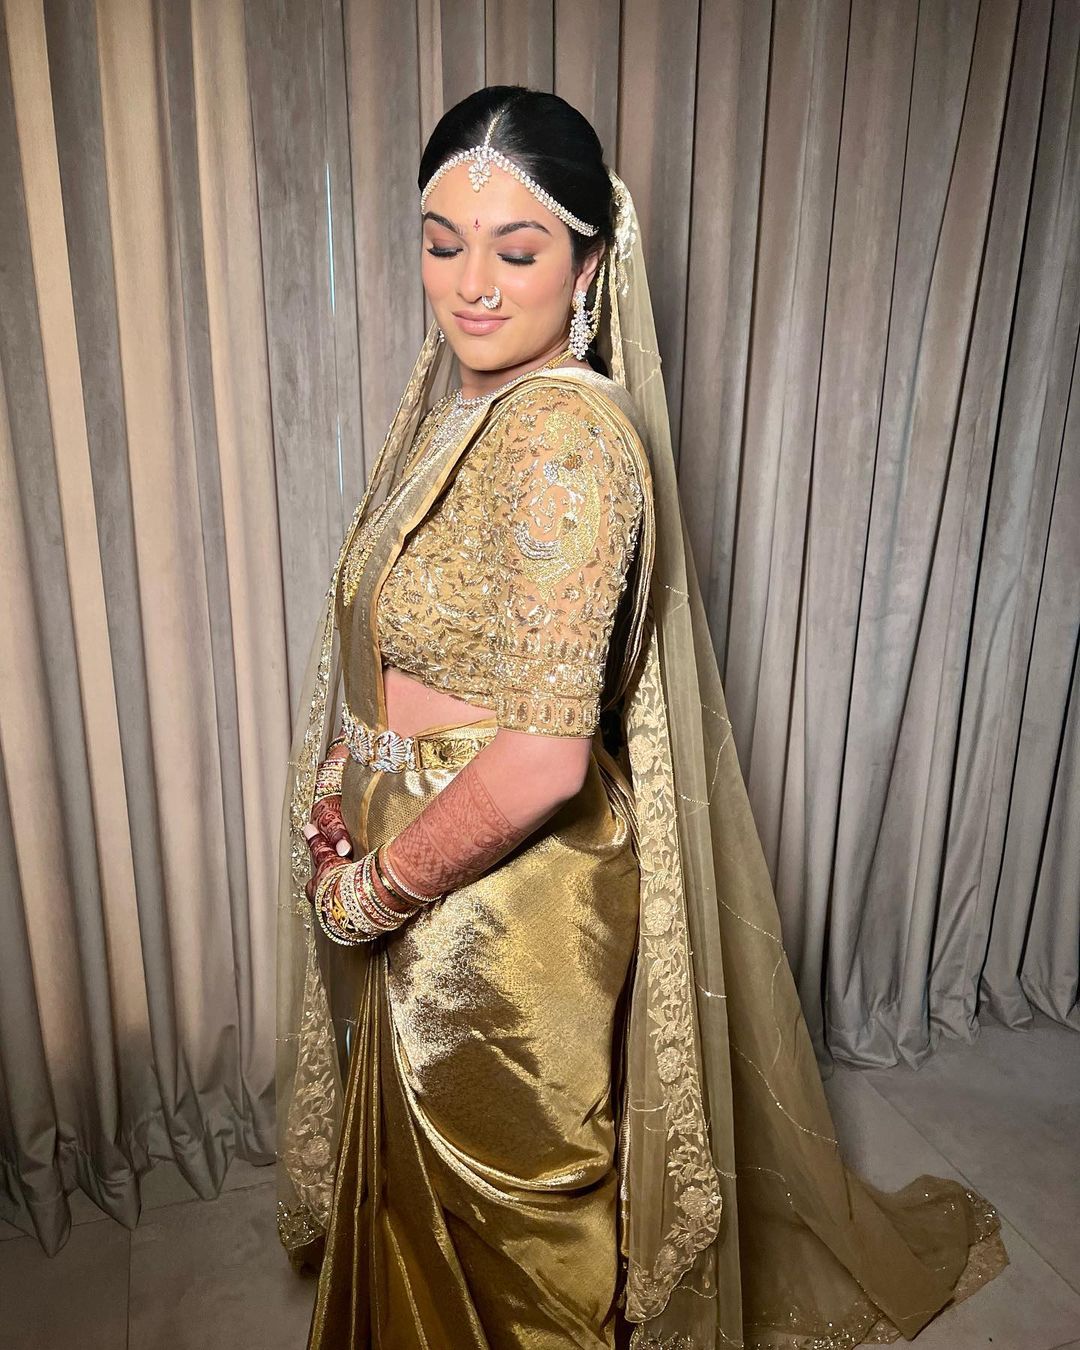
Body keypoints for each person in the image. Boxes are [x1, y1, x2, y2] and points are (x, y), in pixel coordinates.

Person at [275, 86, 1007, 1350]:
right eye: (444, 243)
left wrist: (372, 891)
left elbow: (547, 760)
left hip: (505, 916)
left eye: (518, 250)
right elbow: (382, 641)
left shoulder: (570, 440)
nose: (473, 285)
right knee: (419, 1215)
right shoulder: (463, 412)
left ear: (589, 262)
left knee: (516, 1233)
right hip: (414, 858)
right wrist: (347, 788)